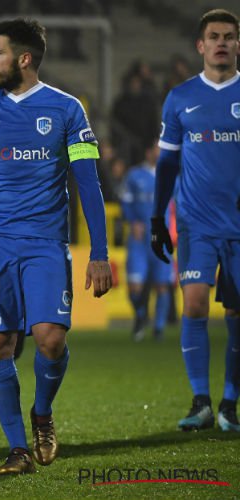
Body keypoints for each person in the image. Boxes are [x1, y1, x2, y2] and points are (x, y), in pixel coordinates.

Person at [0, 18, 112, 474]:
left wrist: (100, 252)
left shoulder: (67, 110)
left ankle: (42, 414)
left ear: (24, 59)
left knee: (50, 340)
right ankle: (17, 448)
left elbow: (87, 183)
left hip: (46, 242)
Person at [151, 8, 240, 433]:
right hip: (195, 223)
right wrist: (156, 216)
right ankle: (201, 400)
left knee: (238, 313)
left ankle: (230, 404)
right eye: (214, 36)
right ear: (200, 46)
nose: (221, 42)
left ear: (238, 44)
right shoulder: (181, 97)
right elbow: (167, 165)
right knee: (196, 303)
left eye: (229, 36)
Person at [120, 143, 175, 342]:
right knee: (134, 286)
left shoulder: (171, 175)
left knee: (162, 285)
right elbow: (125, 201)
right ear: (149, 151)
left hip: (161, 239)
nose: (160, 153)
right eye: (157, 149)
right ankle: (141, 314)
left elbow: (181, 203)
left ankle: (158, 328)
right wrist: (132, 220)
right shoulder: (135, 175)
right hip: (139, 240)